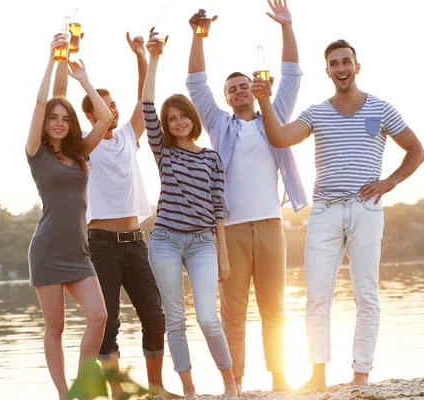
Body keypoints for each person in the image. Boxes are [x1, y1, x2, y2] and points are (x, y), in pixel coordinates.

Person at [251, 39, 424, 391]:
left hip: (365, 210)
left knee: (367, 295)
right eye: (334, 63)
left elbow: (416, 151)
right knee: (316, 295)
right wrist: (265, 100)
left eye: (347, 61)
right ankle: (317, 375)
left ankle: (360, 374)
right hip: (326, 211)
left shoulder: (381, 109)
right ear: (327, 71)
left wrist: (389, 182)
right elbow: (281, 138)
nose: (341, 68)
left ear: (357, 67)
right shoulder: (317, 113)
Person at [186, 0, 308, 392]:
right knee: (232, 312)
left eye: (244, 86)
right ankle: (234, 380)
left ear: (254, 92)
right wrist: (198, 36)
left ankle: (280, 376)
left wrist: (287, 27)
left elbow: (292, 75)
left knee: (275, 309)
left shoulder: (274, 114)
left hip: (271, 225)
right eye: (232, 88)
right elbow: (195, 84)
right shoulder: (219, 124)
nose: (240, 91)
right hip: (230, 230)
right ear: (226, 98)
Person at [53, 33, 176, 399]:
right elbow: (67, 108)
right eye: (105, 105)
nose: (114, 110)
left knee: (155, 316)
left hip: (136, 241)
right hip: (102, 245)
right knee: (108, 327)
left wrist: (141, 56)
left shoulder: (127, 136)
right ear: (90, 114)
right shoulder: (82, 147)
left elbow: (145, 100)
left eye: (114, 104)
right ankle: (120, 394)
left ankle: (154, 389)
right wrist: (78, 77)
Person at [142, 30, 238, 400]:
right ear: (166, 125)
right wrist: (153, 58)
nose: (178, 121)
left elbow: (218, 211)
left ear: (192, 118)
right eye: (172, 118)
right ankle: (189, 390)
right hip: (165, 240)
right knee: (176, 319)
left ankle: (230, 383)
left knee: (208, 318)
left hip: (202, 243)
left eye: (183, 115)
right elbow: (147, 104)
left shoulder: (211, 157)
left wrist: (223, 257)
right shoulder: (163, 152)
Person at [26, 34, 113, 400]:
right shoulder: (35, 152)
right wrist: (52, 59)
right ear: (45, 124)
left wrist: (84, 80)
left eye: (65, 119)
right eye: (53, 119)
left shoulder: (80, 152)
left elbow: (106, 116)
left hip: (78, 253)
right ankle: (64, 394)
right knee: (55, 328)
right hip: (47, 251)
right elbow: (43, 99)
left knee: (99, 317)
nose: (59, 123)